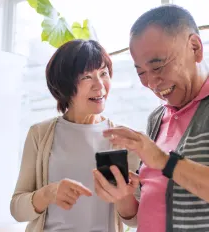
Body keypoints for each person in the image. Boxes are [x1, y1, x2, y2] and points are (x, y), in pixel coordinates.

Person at [93, 4, 209, 232]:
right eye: (141, 72)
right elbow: (148, 211)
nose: (151, 82)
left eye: (158, 65)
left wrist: (165, 161)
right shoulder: (157, 118)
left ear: (195, 48)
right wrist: (123, 197)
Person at [10, 39, 140, 232]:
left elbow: (134, 220)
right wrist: (49, 193)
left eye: (103, 73)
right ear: (65, 86)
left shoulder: (125, 138)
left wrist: (123, 196)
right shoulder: (40, 134)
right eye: (87, 77)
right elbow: (17, 210)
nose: (99, 86)